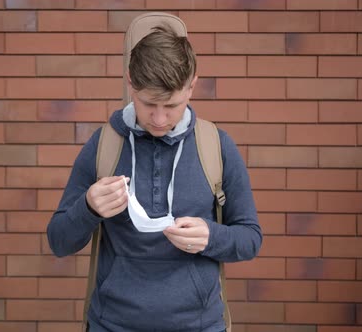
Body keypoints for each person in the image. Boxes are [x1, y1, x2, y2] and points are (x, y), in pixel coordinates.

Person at [47, 24, 262, 332]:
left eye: (172, 105)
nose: (159, 119)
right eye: (148, 104)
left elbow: (250, 238)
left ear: (191, 87)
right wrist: (89, 209)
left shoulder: (216, 145)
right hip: (113, 324)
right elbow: (58, 242)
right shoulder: (104, 144)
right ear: (131, 83)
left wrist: (211, 237)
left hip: (199, 325)